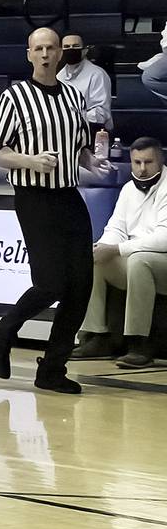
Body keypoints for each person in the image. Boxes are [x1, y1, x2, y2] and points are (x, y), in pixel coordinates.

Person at [0, 27, 94, 396]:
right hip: (34, 197)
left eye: (51, 48)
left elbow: (79, 146)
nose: (46, 54)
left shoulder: (73, 97)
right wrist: (30, 160)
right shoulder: (15, 96)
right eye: (39, 48)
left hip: (69, 196)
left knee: (81, 287)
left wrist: (92, 161)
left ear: (60, 53)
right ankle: (2, 332)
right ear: (29, 54)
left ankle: (52, 368)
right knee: (51, 283)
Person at [73, 137, 167, 370]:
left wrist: (117, 249)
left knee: (138, 260)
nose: (142, 169)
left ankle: (139, 343)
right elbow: (116, 228)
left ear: (160, 160)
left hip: (159, 260)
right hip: (136, 257)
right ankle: (98, 337)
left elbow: (164, 239)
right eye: (137, 162)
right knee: (95, 259)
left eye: (148, 162)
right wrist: (104, 247)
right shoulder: (127, 189)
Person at [58, 34, 113, 135]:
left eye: (75, 46)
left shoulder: (97, 74)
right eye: (66, 47)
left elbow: (102, 113)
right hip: (65, 131)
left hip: (94, 131)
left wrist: (75, 118)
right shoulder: (58, 76)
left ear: (85, 50)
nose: (70, 50)